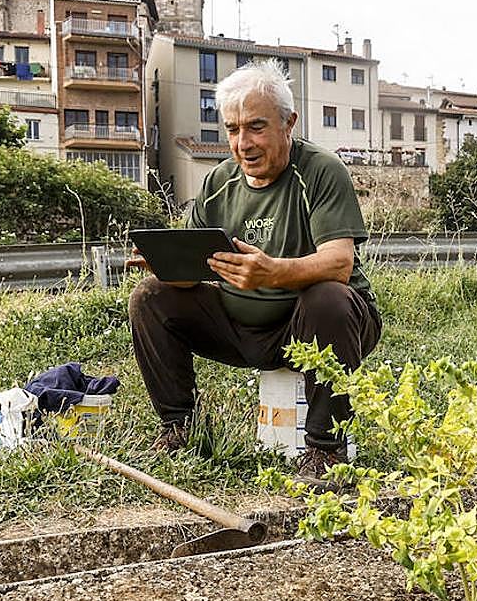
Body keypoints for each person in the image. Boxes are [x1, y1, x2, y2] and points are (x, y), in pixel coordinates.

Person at [128, 58, 382, 480]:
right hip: (241, 329)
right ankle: (177, 427)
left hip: (318, 325)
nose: (243, 142)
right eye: (232, 129)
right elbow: (197, 269)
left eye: (256, 127)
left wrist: (272, 273)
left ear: (289, 123)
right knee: (150, 296)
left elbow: (340, 263)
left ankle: (325, 450)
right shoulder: (217, 182)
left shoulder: (321, 171)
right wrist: (170, 266)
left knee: (328, 297)